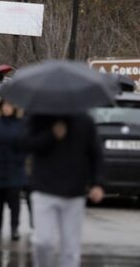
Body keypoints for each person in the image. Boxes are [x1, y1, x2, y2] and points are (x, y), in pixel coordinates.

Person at [22, 114, 104, 267]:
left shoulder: (85, 120)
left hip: (74, 192)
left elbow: (95, 153)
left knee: (70, 248)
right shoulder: (39, 117)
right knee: (43, 241)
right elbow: (26, 144)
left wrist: (97, 183)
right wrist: (51, 135)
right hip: (44, 188)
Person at [0, 98, 26, 240]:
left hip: (15, 166)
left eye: (10, 105)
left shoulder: (21, 123)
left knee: (14, 200)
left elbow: (25, 143)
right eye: (5, 105)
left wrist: (19, 157)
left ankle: (14, 227)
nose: (7, 108)